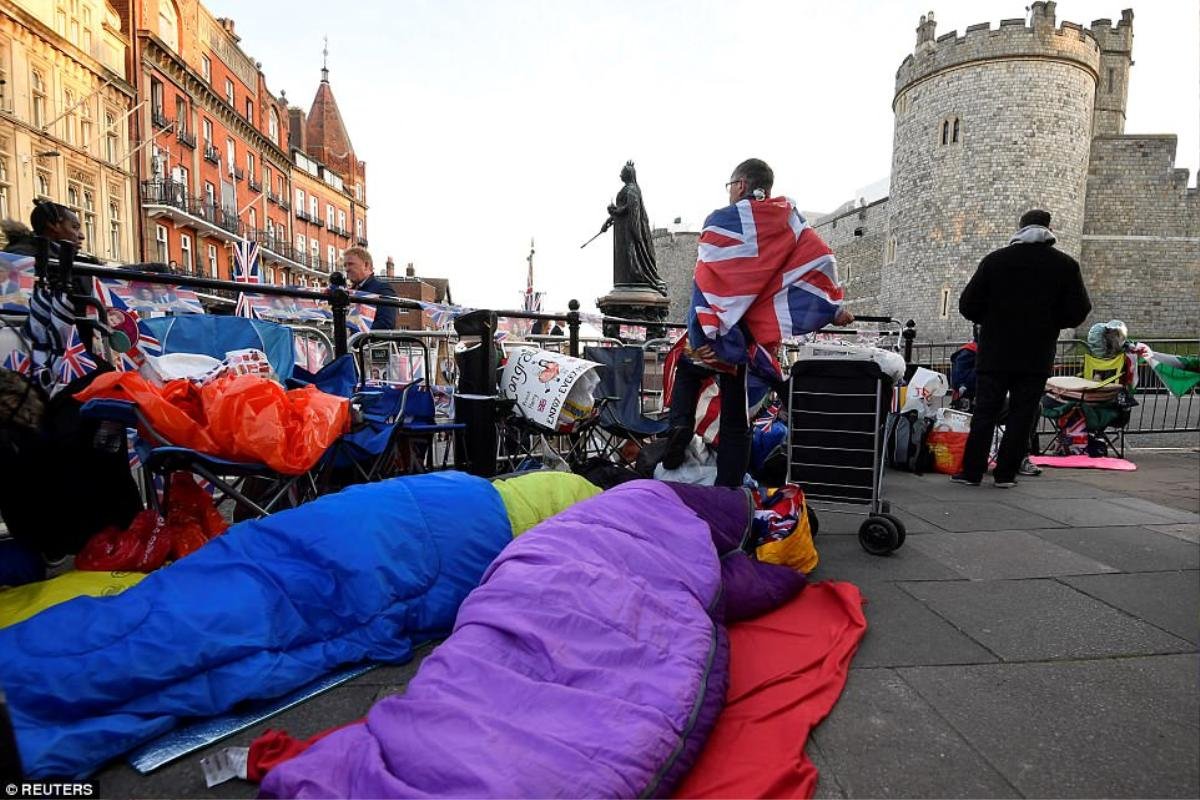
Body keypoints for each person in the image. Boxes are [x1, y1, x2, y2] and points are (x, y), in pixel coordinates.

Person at [662, 158, 853, 487]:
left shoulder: (722, 221)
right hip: (747, 343)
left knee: (688, 370)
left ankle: (679, 425)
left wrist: (705, 330)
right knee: (737, 422)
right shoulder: (789, 222)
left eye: (730, 187)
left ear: (739, 185)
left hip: (715, 335)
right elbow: (819, 259)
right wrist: (832, 309)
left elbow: (707, 277)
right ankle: (730, 492)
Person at [955, 208, 1091, 487]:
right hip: (1036, 353)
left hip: (995, 351)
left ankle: (971, 472)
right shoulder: (1065, 265)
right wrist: (1052, 322)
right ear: (1049, 230)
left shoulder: (995, 262)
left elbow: (968, 304)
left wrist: (991, 320)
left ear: (1020, 228)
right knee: (1022, 415)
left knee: (985, 411)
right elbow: (1079, 310)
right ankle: (1006, 474)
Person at [605, 161, 667, 293]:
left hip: (629, 232)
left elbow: (631, 210)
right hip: (622, 230)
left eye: (622, 172)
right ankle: (627, 280)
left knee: (632, 256)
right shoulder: (629, 189)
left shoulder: (632, 190)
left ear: (628, 174)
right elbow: (624, 209)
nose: (620, 174)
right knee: (624, 261)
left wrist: (614, 211)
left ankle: (637, 276)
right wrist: (610, 219)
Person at [342, 246, 397, 330]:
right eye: (345, 265)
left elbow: (386, 324)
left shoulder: (383, 289)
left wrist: (354, 331)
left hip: (367, 342)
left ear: (366, 265)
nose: (347, 269)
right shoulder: (348, 291)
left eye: (351, 264)